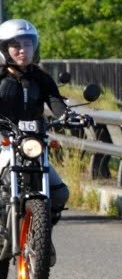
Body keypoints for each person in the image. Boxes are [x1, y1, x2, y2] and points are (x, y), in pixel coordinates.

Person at [0, 19, 92, 265]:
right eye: (15, 45)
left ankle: (40, 236)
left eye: (28, 44)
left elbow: (56, 102)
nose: (22, 50)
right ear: (4, 48)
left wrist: (70, 116)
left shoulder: (41, 78)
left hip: (32, 145)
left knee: (59, 192)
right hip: (3, 143)